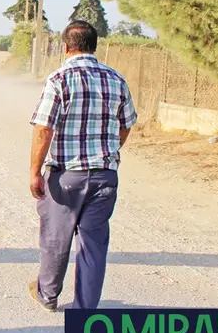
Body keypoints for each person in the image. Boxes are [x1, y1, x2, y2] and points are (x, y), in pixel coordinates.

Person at [27, 20, 137, 311]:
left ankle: (47, 295)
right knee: (93, 246)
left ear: (65, 47)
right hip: (104, 176)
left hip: (66, 176)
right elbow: (126, 125)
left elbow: (43, 129)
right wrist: (107, 151)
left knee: (55, 238)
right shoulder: (116, 79)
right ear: (93, 45)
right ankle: (85, 309)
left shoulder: (59, 79)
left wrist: (35, 171)